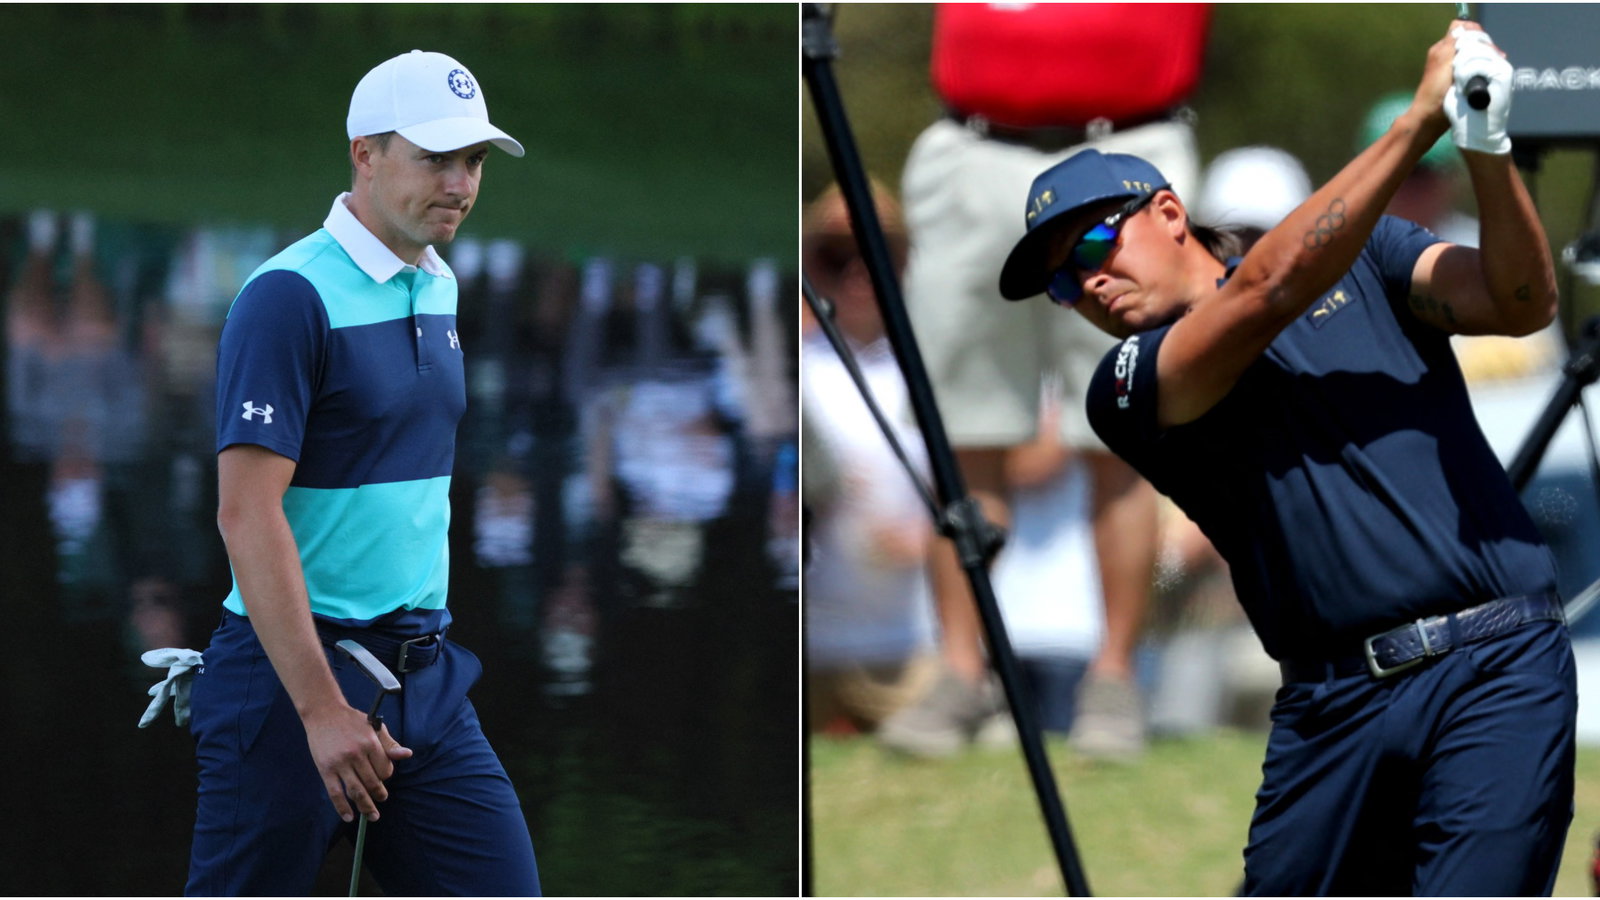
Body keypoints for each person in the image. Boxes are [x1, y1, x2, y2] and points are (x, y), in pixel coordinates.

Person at [997, 23, 1574, 895]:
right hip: (1331, 707)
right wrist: (1417, 122)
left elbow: (1521, 302)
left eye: (1089, 248)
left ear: (1168, 213)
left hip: (1496, 667)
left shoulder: (1373, 257)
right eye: (1061, 282)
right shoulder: (1124, 385)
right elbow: (1267, 291)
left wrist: (1484, 148)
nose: (1086, 285)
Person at [187, 50, 540, 895]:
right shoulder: (288, 297)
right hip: (290, 687)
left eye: (474, 161)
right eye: (435, 158)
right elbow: (245, 514)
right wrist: (320, 710)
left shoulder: (438, 283)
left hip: (424, 678)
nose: (460, 184)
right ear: (365, 154)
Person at [888, 3, 1211, 759]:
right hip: (972, 150)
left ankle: (1114, 680)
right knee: (961, 434)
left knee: (1126, 432)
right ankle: (960, 674)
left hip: (1127, 152)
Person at [801, 182, 941, 736]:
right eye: (837, 255)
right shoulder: (792, 363)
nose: (859, 273)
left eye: (877, 254)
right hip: (809, 640)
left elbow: (995, 489)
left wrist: (932, 540)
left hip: (909, 641)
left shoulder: (930, 366)